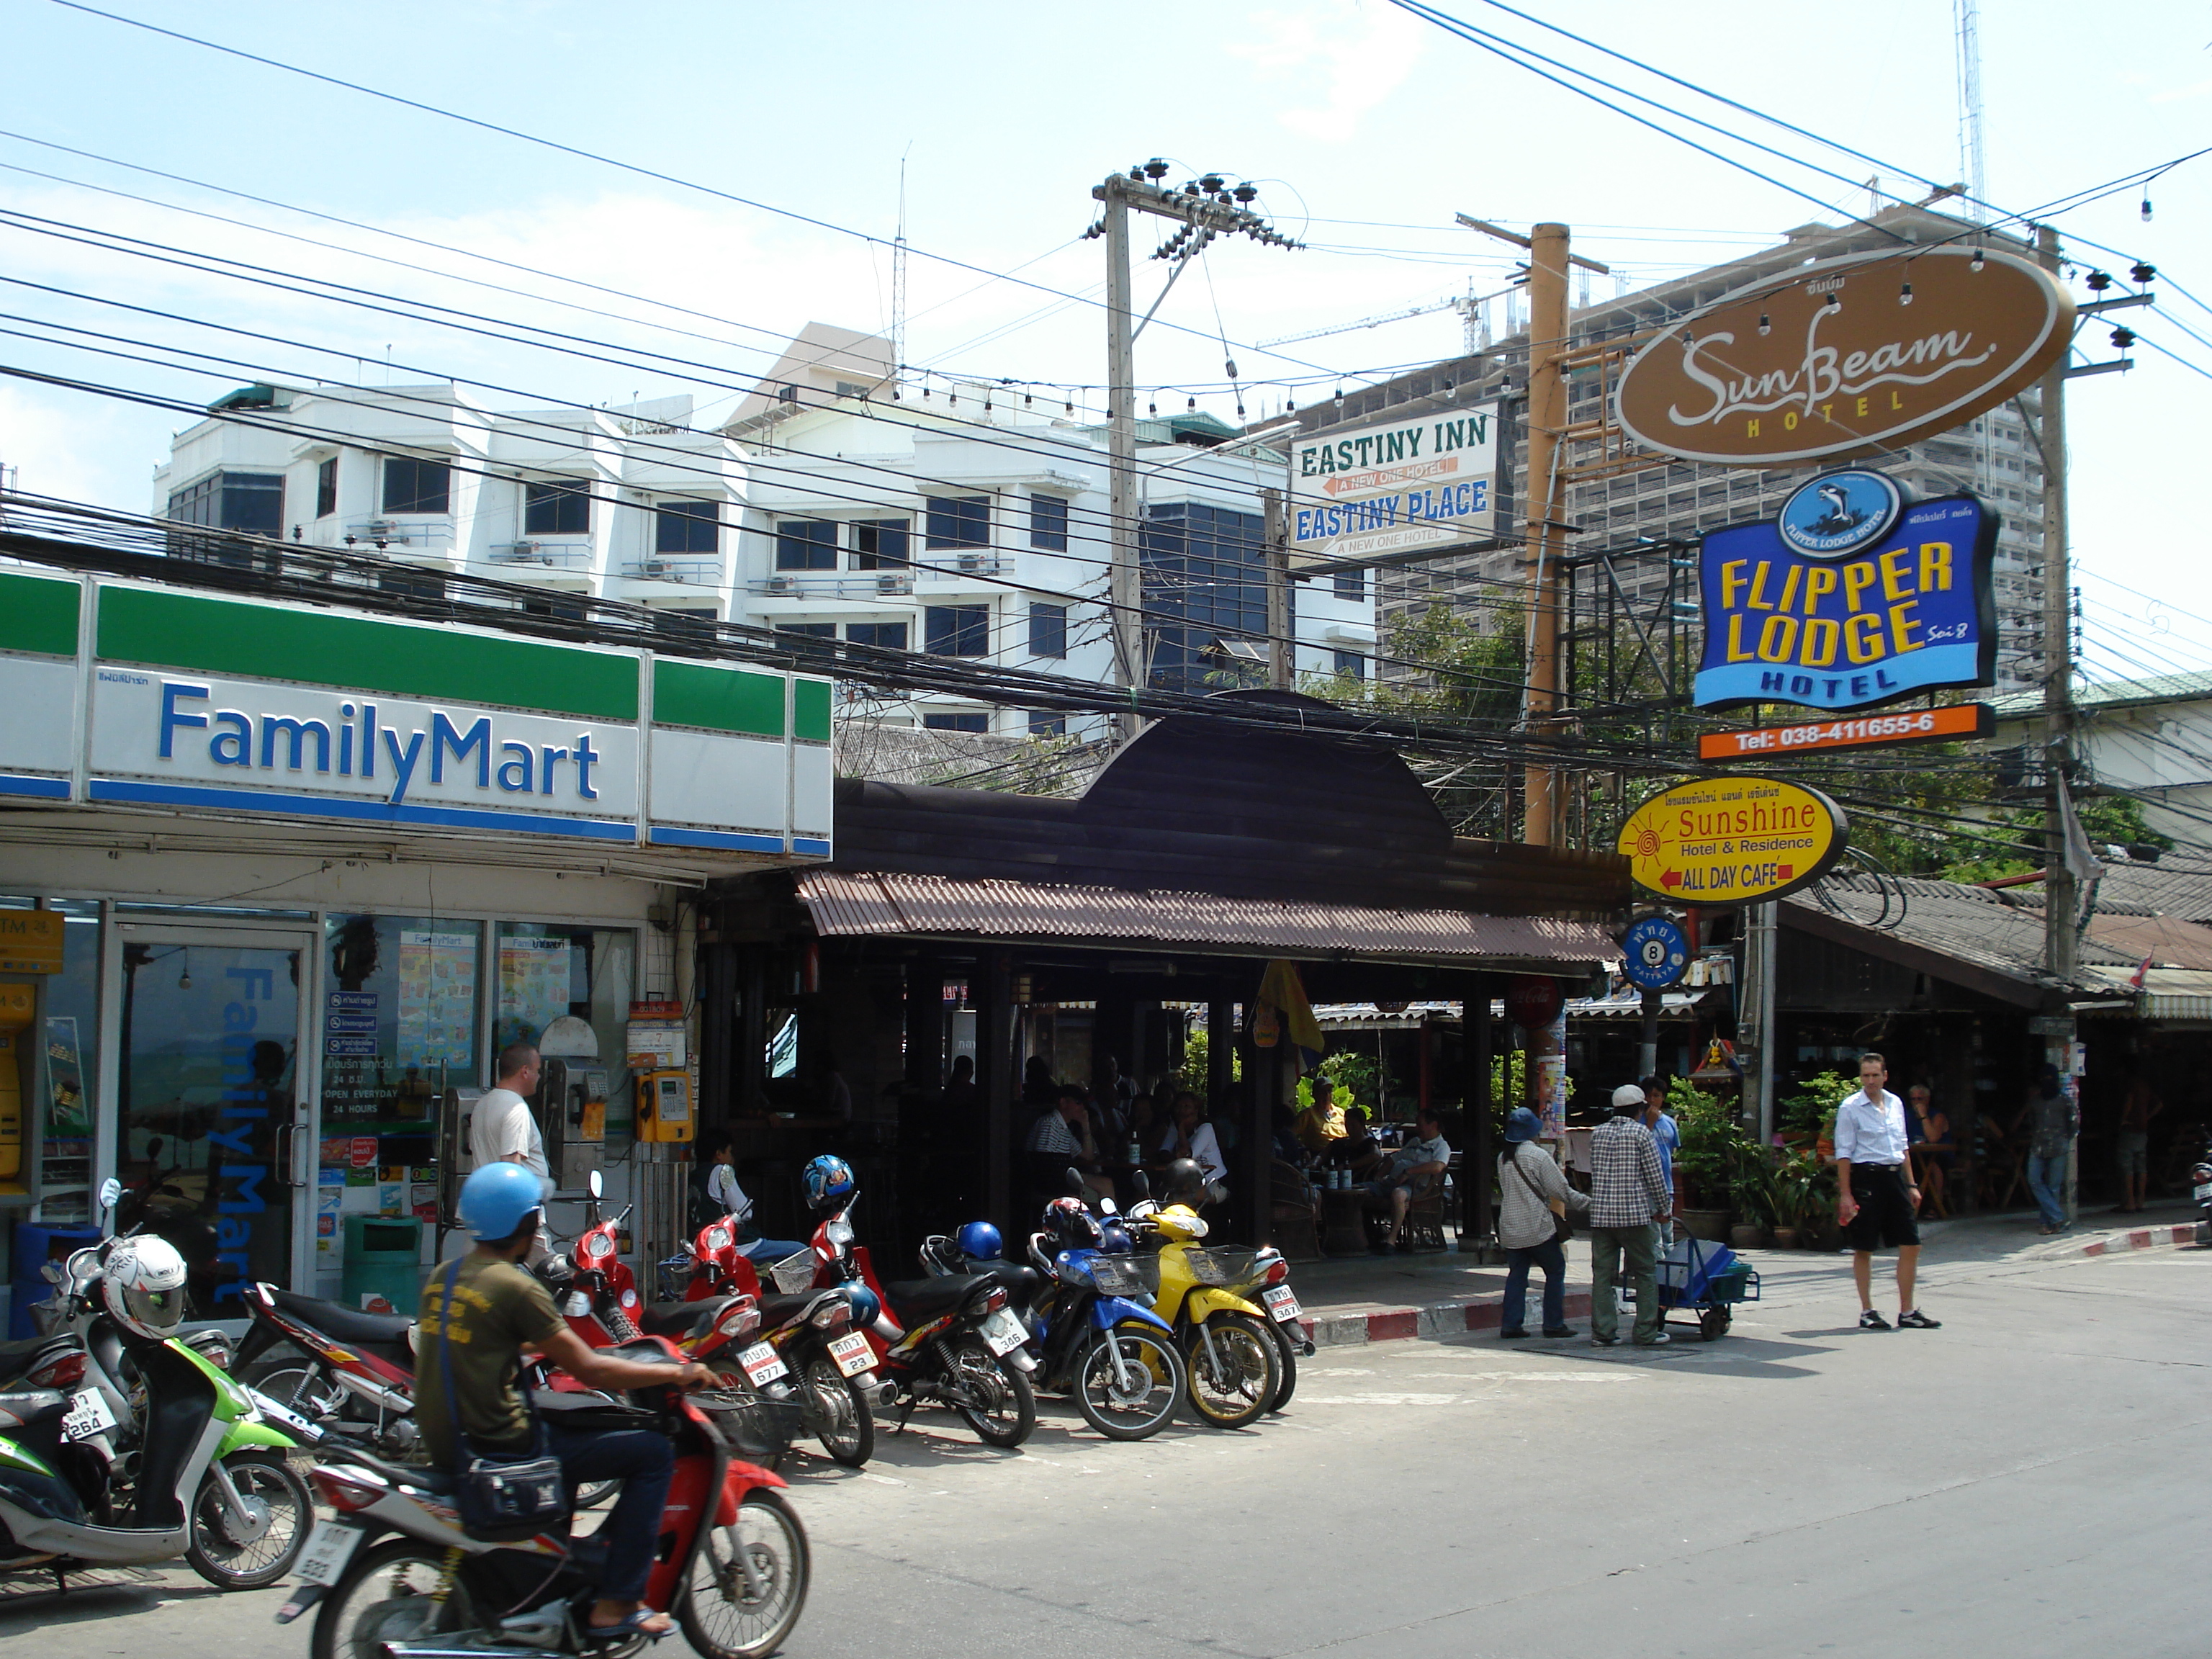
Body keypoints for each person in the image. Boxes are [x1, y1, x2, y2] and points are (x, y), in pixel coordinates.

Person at [418, 1162, 710, 1640]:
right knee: (652, 1453)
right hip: (504, 1444)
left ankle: (558, 1573)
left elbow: (485, 1339)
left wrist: (536, 1343)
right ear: (528, 1224)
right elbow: (590, 1371)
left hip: (451, 1440)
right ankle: (616, 1604)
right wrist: (680, 1371)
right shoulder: (515, 1286)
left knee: (579, 1427)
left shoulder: (446, 1276)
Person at [1835, 1052, 1940, 1328]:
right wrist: (1846, 1194)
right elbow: (1843, 1153)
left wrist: (1912, 1184)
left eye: (1875, 1075)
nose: (1870, 1080)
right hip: (1866, 1177)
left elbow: (1902, 1145)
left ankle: (1907, 1311)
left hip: (1895, 1177)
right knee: (1865, 1247)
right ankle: (1867, 1310)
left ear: (1885, 1076)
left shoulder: (1894, 1103)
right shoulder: (1850, 1107)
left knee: (1911, 1244)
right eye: (1866, 1075)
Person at [1588, 1084, 1673, 1346]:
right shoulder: (1641, 1133)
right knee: (1646, 1273)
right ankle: (1646, 1332)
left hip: (1602, 1216)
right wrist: (1664, 1209)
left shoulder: (1598, 1133)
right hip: (1635, 1216)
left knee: (1603, 1276)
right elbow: (1654, 1176)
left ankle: (1603, 1333)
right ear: (1640, 1108)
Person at [1496, 1106, 1586, 1339]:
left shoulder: (1503, 1157)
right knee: (1555, 1269)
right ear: (1532, 1132)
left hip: (1510, 1228)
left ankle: (1511, 1324)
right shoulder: (1537, 1156)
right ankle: (1554, 1323)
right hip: (1535, 1226)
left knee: (1517, 1275)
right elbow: (1561, 1191)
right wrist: (1591, 1204)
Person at [693, 1129, 807, 1264]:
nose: (731, 1157)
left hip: (705, 1246)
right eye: (729, 1152)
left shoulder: (694, 1175)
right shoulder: (722, 1171)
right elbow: (745, 1212)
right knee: (801, 1251)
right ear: (719, 1154)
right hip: (739, 1246)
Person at [1360, 1106, 1451, 1254]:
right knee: (1358, 1191)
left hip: (1416, 1189)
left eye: (1420, 1124)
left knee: (1398, 1194)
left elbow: (1437, 1167)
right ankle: (1367, 1237)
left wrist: (1409, 1172)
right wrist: (1379, 1175)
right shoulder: (1415, 1141)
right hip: (1391, 1182)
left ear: (1433, 1125)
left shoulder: (1441, 1146)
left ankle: (1391, 1241)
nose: (1417, 1127)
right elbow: (1394, 1158)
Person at [2013, 1064, 2079, 1235]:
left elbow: (2074, 1124)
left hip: (2058, 1147)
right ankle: (2057, 1217)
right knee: (2034, 1180)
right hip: (2039, 1147)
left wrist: (2064, 1139)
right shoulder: (2035, 1102)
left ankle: (2047, 1223)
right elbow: (2033, 1122)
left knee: (2053, 1186)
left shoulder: (2065, 1101)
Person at [469, 1043, 548, 1179]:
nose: (539, 1077)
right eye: (537, 1071)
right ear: (525, 1072)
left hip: (486, 1193)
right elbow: (511, 1165)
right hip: (511, 1197)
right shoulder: (517, 1108)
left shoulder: (483, 1103)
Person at [1029, 1084, 1112, 1202]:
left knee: (1106, 1183)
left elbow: (1088, 1156)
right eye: (1078, 1102)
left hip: (1064, 1180)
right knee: (1104, 1186)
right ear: (1063, 1103)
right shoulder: (1050, 1124)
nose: (1083, 1107)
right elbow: (1044, 1165)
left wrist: (1085, 1126)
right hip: (1055, 1186)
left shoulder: (1064, 1129)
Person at [1641, 1075, 1681, 1245]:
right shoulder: (1637, 1122)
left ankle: (1669, 1268)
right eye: (1648, 1096)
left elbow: (1673, 1150)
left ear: (1663, 1098)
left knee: (1667, 1234)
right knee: (1653, 1236)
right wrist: (1650, 1123)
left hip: (1666, 1185)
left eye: (1656, 1096)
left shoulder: (1670, 1123)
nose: (1652, 1100)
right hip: (1645, 1187)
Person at [1157, 1092, 1228, 1187]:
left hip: (1214, 1180)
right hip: (1189, 1181)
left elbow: (1188, 1157)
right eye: (1178, 1106)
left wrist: (1182, 1128)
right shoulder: (1174, 1126)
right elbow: (1164, 1152)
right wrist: (1175, 1158)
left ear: (1196, 1110)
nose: (1182, 1110)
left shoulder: (1206, 1128)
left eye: (1187, 1107)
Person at [2115, 1075, 2163, 1213]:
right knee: (2141, 1166)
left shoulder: (2130, 1085)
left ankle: (2129, 1202)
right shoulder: (2145, 1086)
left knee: (2127, 1165)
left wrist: (2124, 1119)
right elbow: (2159, 1104)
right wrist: (2146, 1118)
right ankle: (2141, 1200)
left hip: (2130, 1129)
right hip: (2143, 1129)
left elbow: (2129, 1100)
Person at [1905, 1084, 1954, 1218]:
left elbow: (1933, 1138)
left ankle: (1936, 1206)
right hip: (1916, 1153)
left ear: (1927, 1100)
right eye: (1913, 1099)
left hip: (1938, 1155)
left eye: (1919, 1099)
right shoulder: (1907, 1115)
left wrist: (1923, 1117)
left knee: (1933, 1167)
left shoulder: (1937, 1116)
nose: (1916, 1102)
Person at [1292, 1076, 1348, 1154]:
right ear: (1315, 1095)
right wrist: (1304, 1149)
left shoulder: (1341, 1113)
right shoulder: (1307, 1114)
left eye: (1329, 1091)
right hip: (1318, 1155)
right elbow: (1291, 1135)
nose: (1326, 1095)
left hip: (1341, 1154)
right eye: (1322, 1092)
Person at [1329, 1106, 1385, 1179]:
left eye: (1353, 1125)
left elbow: (1376, 1155)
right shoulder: (1338, 1142)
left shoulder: (1369, 1142)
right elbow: (1322, 1155)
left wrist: (1347, 1166)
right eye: (1347, 1124)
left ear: (1362, 1125)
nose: (1349, 1128)